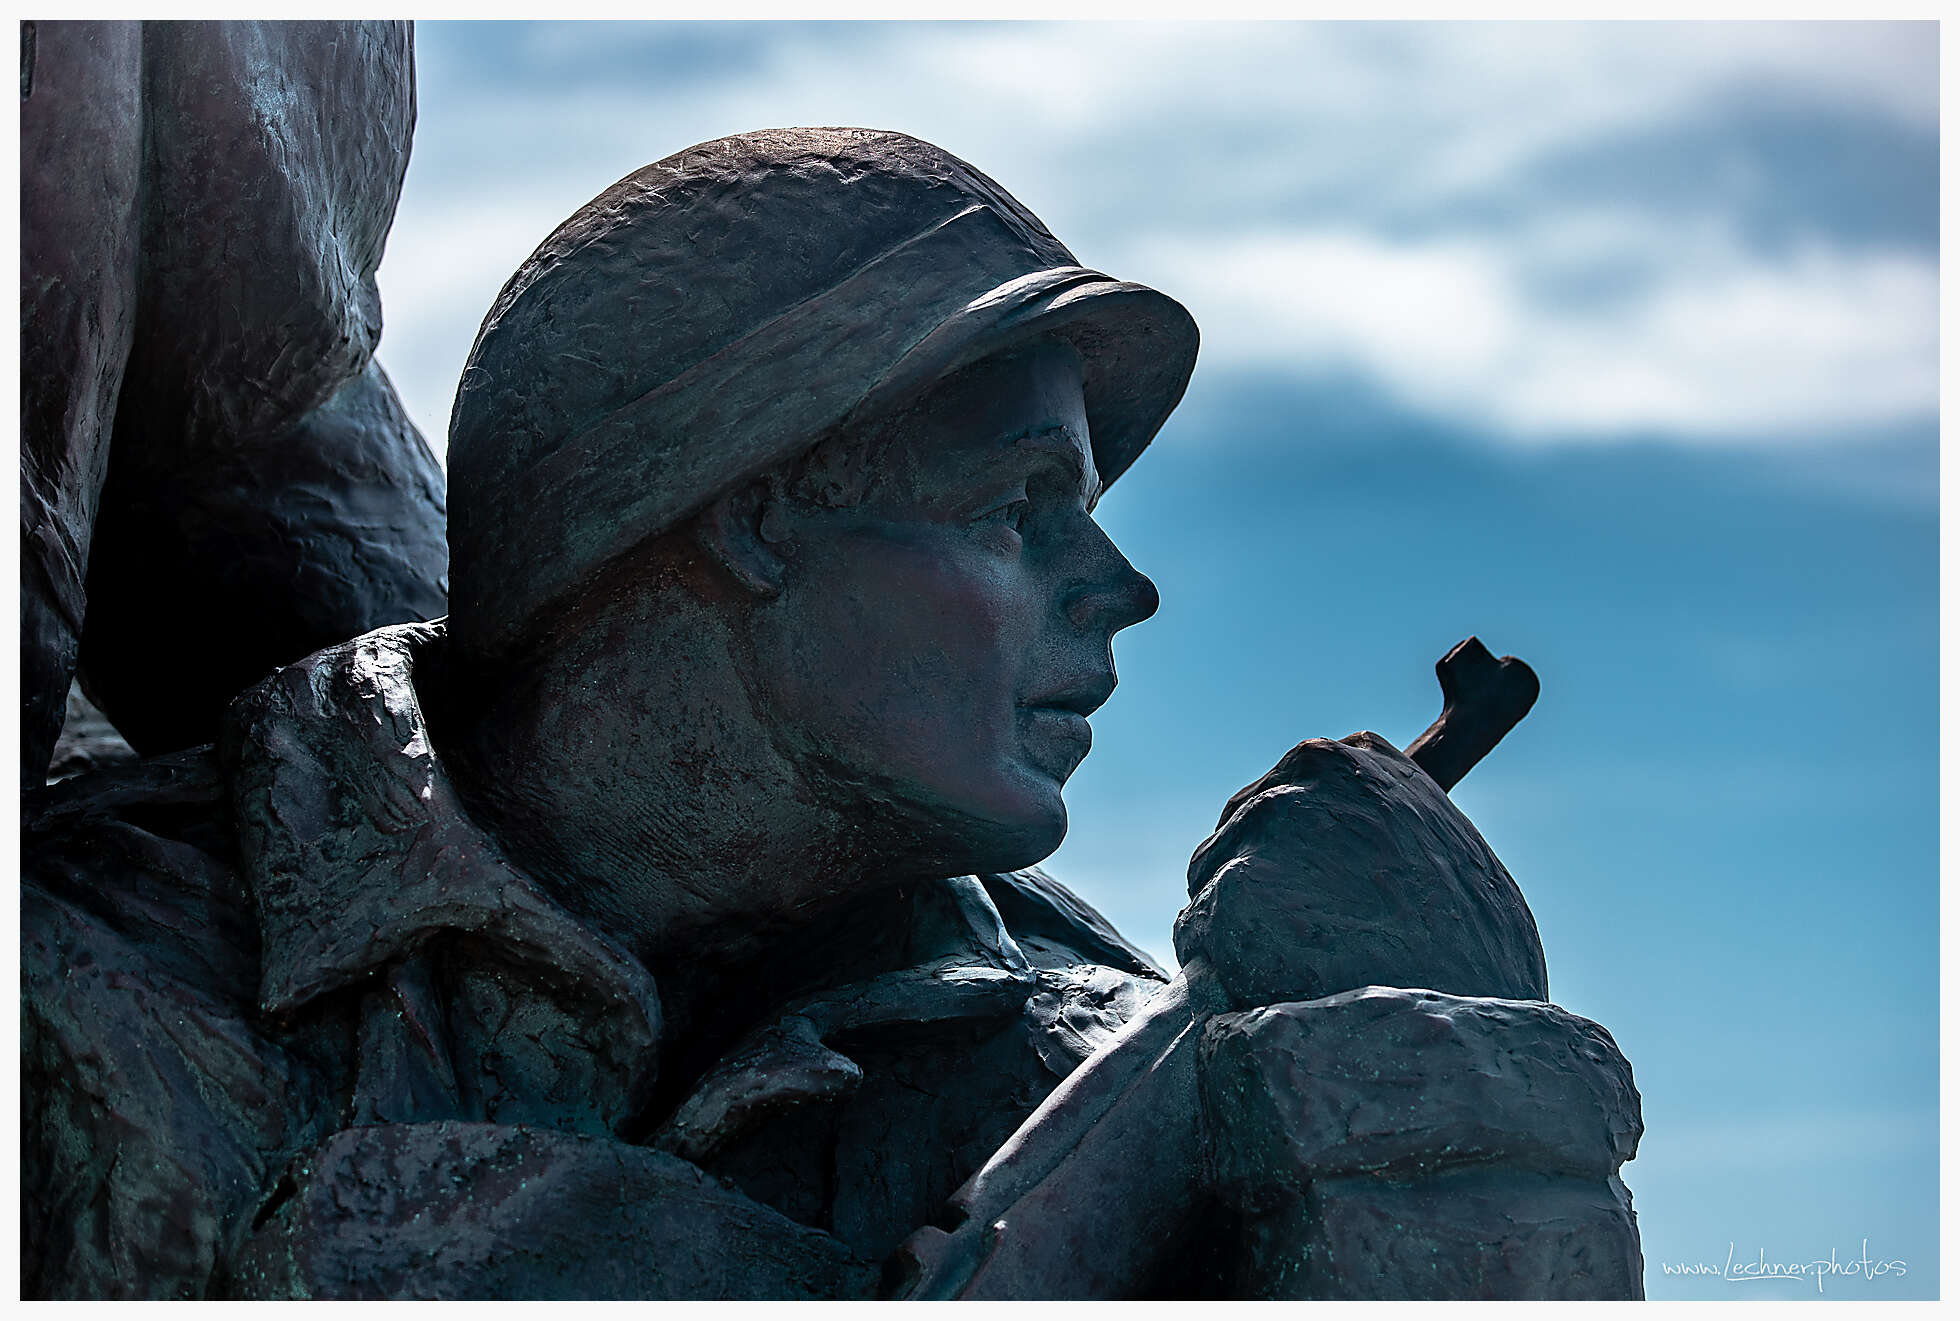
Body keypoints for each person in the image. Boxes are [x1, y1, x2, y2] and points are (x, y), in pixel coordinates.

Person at [21, 128, 1640, 1300]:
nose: (1123, 587)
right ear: (751, 508)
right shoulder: (77, 981)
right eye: (1022, 509)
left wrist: (1423, 1087)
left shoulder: (1107, 1059)